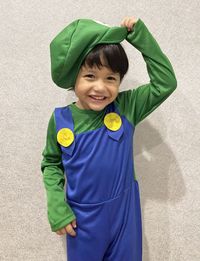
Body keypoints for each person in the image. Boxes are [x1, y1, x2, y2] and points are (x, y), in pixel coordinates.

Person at [41, 16, 177, 261]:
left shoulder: (127, 106)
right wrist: (56, 206)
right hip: (82, 221)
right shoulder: (60, 120)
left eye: (111, 78)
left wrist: (140, 37)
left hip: (124, 213)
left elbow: (165, 83)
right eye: (90, 76)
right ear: (74, 77)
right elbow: (51, 164)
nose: (101, 87)